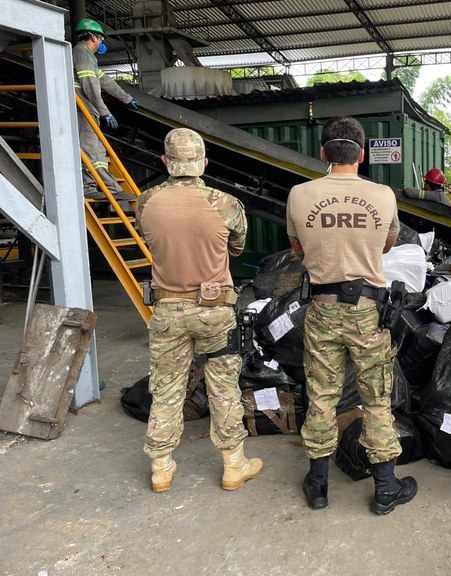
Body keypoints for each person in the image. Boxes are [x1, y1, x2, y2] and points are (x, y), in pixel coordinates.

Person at [286, 116, 417, 515]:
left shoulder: (299, 194)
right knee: (376, 398)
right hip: (368, 312)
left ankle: (318, 486)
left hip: (322, 308)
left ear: (323, 152)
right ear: (361, 155)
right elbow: (387, 243)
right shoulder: (383, 195)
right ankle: (385, 488)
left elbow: (296, 247)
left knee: (321, 396)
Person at [136, 128, 262, 493]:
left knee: (166, 388)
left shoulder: (145, 202)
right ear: (204, 162)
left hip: (167, 311)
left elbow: (150, 239)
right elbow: (236, 248)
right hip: (215, 311)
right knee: (223, 387)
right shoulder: (225, 203)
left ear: (165, 161)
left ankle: (161, 468)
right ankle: (234, 466)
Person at [73, 18, 137, 201]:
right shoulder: (81, 53)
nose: (101, 43)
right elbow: (90, 86)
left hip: (88, 109)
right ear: (93, 37)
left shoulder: (88, 56)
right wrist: (105, 112)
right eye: (100, 38)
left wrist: (127, 98)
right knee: (90, 149)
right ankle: (105, 188)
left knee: (98, 150)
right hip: (83, 109)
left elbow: (105, 81)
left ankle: (98, 187)